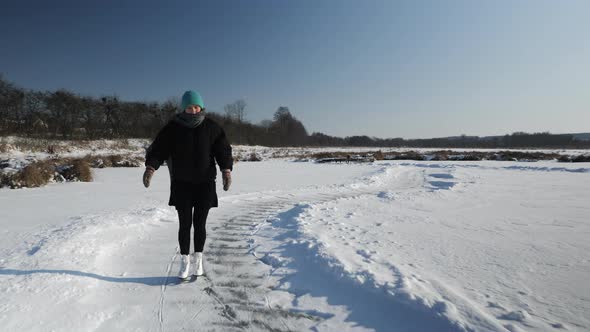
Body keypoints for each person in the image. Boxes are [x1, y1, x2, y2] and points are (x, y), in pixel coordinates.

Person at [142, 90, 233, 280]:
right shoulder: (173, 128)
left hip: (205, 184)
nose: (193, 110)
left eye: (196, 107)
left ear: (201, 107)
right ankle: (184, 261)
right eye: (189, 107)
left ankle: (198, 260)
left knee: (200, 224)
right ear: (183, 108)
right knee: (185, 224)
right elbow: (159, 149)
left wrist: (226, 170)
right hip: (181, 184)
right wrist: (151, 167)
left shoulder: (211, 127)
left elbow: (223, 150)